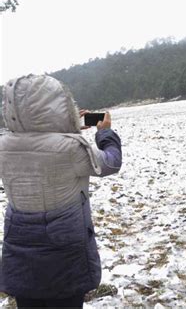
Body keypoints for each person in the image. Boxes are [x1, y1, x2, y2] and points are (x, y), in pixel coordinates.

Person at [0, 75, 122, 308]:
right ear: (58, 105)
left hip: (20, 251)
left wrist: (67, 127)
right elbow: (111, 163)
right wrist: (105, 132)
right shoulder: (72, 148)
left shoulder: (4, 146)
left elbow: (34, 142)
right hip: (65, 253)